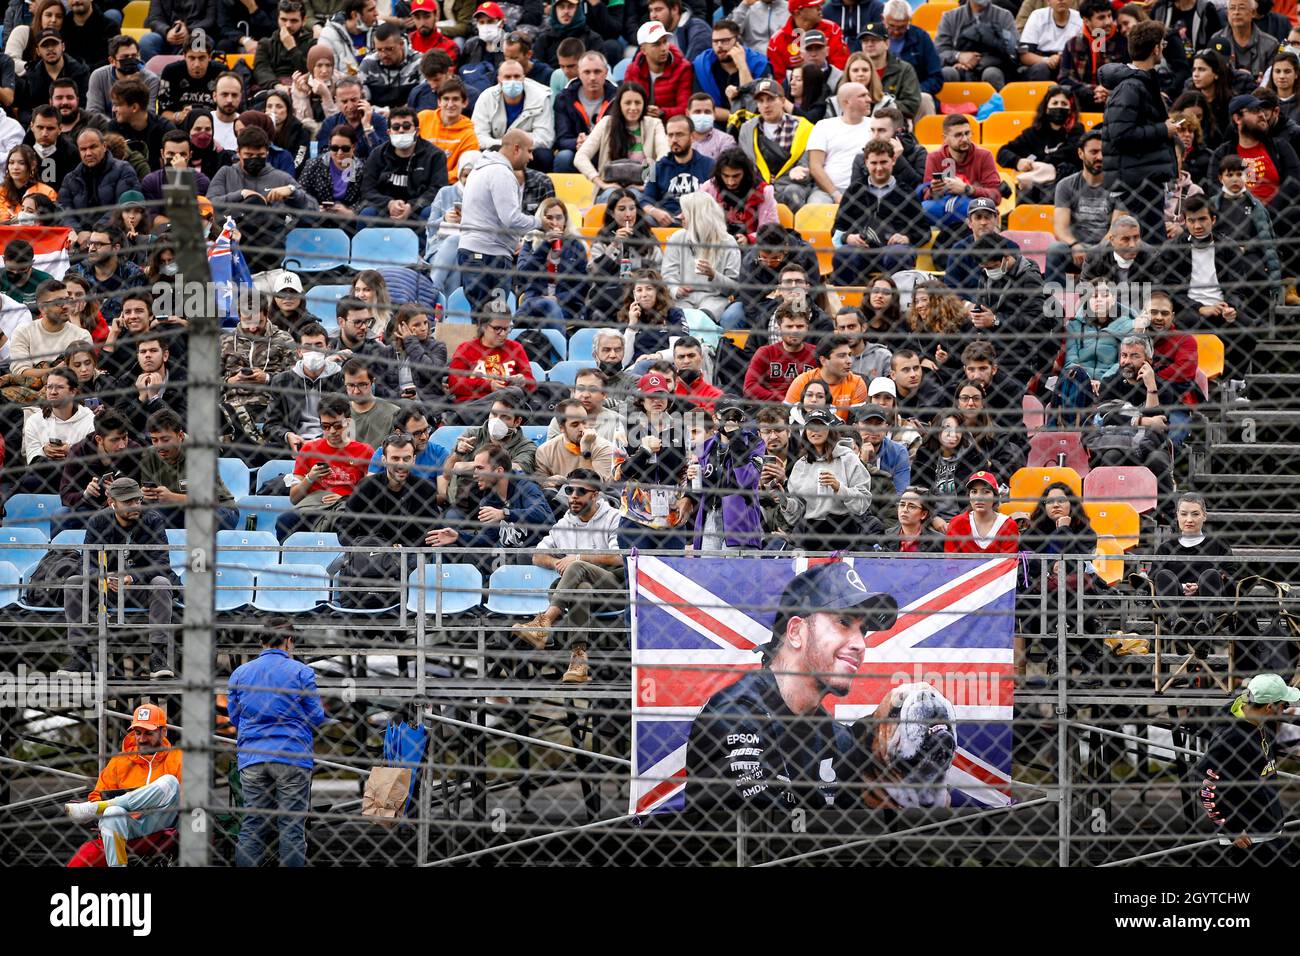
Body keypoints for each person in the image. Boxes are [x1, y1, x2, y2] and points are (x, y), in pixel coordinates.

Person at [685, 560, 898, 813]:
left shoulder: (832, 734)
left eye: (863, 631)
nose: (861, 644)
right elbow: (768, 829)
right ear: (796, 632)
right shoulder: (736, 712)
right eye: (844, 622)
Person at [510, 468, 625, 682]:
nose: (573, 496)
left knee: (576, 566)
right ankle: (578, 661)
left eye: (581, 491)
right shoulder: (565, 522)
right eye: (569, 489)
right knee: (581, 588)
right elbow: (537, 555)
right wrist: (556, 562)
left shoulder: (613, 518)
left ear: (595, 495)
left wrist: (578, 558)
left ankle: (544, 622)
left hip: (612, 588)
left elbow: (618, 557)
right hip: (579, 595)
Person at [228, 620, 327, 867]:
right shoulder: (301, 672)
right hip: (292, 755)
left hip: (252, 756)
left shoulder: (241, 673)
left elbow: (234, 716)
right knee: (291, 826)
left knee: (253, 825)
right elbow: (317, 716)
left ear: (261, 642)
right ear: (289, 640)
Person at [63, 477, 178, 677]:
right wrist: (102, 577)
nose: (135, 506)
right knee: (73, 583)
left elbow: (161, 564)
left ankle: (158, 657)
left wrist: (131, 577)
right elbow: (85, 562)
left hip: (139, 587)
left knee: (162, 583)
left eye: (137, 500)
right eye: (127, 502)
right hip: (104, 588)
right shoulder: (98, 521)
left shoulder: (153, 519)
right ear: (112, 503)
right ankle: (78, 655)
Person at [1193, 672, 1297, 864]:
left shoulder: (1250, 716)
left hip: (1269, 829)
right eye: (1285, 705)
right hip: (1250, 840)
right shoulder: (1232, 738)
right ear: (1268, 707)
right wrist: (1231, 829)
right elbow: (1204, 786)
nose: (1286, 710)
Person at [63, 704, 183, 868]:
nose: (141, 739)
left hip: (162, 823)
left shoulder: (177, 758)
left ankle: (102, 806)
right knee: (112, 812)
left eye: (149, 733)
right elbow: (96, 795)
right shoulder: (120, 761)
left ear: (163, 732)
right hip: (128, 827)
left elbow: (191, 798)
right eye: (138, 733)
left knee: (170, 782)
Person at [1100, 21, 1177, 247]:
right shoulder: (1131, 87)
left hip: (1143, 177)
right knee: (1151, 247)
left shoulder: (1140, 82)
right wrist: (1164, 129)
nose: (1162, 48)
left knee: (1150, 246)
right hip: (1137, 182)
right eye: (1161, 44)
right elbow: (1120, 133)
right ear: (1155, 48)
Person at [428, 440, 552, 564]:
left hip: (532, 551)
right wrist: (458, 537)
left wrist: (505, 514)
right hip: (505, 554)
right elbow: (487, 539)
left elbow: (541, 513)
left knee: (522, 556)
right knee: (470, 556)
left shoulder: (526, 487)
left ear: (499, 471)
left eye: (479, 468)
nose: (474, 474)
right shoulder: (488, 500)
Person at [455, 128, 538, 312]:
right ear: (517, 148)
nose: (531, 158)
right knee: (495, 317)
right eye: (529, 151)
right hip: (489, 256)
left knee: (482, 318)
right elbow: (511, 218)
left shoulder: (479, 170)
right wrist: (539, 223)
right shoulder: (501, 173)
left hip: (473, 252)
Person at [830, 138, 926, 281]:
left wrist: (906, 237)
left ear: (893, 160)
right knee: (844, 254)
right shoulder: (855, 190)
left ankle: (897, 298)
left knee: (898, 254)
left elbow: (923, 230)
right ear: (866, 163)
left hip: (893, 249)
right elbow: (838, 227)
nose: (879, 168)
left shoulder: (906, 191)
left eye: (883, 162)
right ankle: (850, 298)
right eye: (874, 163)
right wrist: (848, 237)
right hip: (861, 250)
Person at [785, 405, 873, 548]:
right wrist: (784, 501)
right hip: (811, 533)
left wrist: (839, 488)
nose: (815, 431)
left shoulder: (848, 459)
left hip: (843, 532)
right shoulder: (801, 465)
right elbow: (797, 511)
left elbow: (863, 503)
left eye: (821, 426)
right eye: (811, 426)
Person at [1149, 491, 1233, 636]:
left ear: (1204, 516)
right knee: (1163, 575)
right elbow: (1154, 578)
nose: (1189, 519)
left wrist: (1201, 587)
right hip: (1175, 605)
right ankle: (1176, 624)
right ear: (1177, 515)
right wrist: (1181, 587)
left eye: (1195, 514)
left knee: (1211, 574)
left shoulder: (1219, 545)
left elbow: (1232, 575)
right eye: (1184, 514)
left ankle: (1206, 625)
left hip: (1212, 605)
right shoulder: (1166, 548)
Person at [690, 399, 765, 552]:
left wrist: (736, 441)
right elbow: (701, 488)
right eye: (727, 416)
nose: (732, 422)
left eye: (736, 416)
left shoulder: (754, 443)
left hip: (740, 519)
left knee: (737, 573)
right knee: (709, 572)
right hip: (710, 516)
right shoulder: (706, 446)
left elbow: (746, 479)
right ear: (715, 418)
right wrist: (692, 478)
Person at [574, 81, 666, 201]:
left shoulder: (654, 124)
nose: (633, 108)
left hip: (642, 189)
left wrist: (647, 184)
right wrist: (600, 182)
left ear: (644, 104)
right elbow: (580, 157)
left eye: (637, 103)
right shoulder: (606, 123)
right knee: (615, 198)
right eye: (627, 103)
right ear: (620, 104)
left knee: (635, 198)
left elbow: (665, 155)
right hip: (609, 190)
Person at [1209, 92, 1300, 210]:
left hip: (1278, 216)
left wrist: (1264, 211)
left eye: (1262, 110)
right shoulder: (1222, 154)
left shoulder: (1280, 147)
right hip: (1238, 217)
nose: (1262, 115)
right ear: (1237, 118)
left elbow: (1294, 183)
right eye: (1255, 110)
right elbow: (1215, 190)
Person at [263, 323, 344, 453]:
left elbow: (350, 418)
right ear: (299, 351)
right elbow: (271, 425)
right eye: (307, 347)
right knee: (262, 452)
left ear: (328, 348)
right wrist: (288, 435)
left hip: (331, 441)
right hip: (295, 443)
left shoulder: (340, 379)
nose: (314, 351)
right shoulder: (282, 381)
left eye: (318, 345)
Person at [736, 77, 816, 208]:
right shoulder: (747, 129)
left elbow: (808, 165)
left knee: (793, 192)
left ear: (783, 101)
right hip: (759, 185)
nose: (766, 105)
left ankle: (794, 229)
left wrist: (801, 172)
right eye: (760, 101)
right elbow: (745, 163)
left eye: (771, 99)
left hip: (790, 184)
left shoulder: (804, 128)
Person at [661, 191, 741, 320]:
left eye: (685, 213)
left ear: (697, 217)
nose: (679, 216)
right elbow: (667, 275)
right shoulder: (677, 238)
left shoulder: (728, 242)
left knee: (701, 319)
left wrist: (714, 275)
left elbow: (733, 288)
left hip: (713, 300)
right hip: (682, 300)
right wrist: (676, 290)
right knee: (681, 317)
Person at [514, 196, 590, 334]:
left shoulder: (576, 245)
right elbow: (522, 276)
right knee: (541, 308)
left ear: (565, 220)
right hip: (535, 303)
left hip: (567, 306)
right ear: (542, 220)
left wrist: (558, 299)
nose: (554, 223)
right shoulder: (531, 241)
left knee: (548, 311)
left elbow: (583, 285)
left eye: (559, 217)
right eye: (549, 218)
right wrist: (544, 246)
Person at [998, 85, 1083, 205]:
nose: (1059, 106)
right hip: (1036, 189)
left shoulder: (1077, 130)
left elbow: (1072, 152)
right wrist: (1017, 161)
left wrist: (1043, 162)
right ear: (1047, 108)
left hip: (1065, 186)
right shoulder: (1033, 133)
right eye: (1055, 103)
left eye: (1064, 104)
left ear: (1070, 109)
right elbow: (1003, 152)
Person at [1047, 130, 1111, 286]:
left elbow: (1117, 227)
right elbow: (1060, 228)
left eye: (1104, 152)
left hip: (1107, 248)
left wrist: (1098, 250)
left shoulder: (1118, 185)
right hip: (1077, 248)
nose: (1100, 157)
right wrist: (1074, 244)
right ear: (1081, 153)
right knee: (1056, 249)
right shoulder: (1066, 185)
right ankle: (1055, 304)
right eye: (1094, 152)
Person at [587, 188, 664, 317]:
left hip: (642, 295)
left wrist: (637, 276)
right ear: (612, 212)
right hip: (609, 298)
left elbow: (660, 271)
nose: (628, 214)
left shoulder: (647, 237)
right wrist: (614, 245)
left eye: (632, 208)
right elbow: (593, 273)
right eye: (622, 209)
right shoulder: (602, 238)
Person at [471, 57, 555, 171]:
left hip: (528, 150)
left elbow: (545, 137)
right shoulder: (486, 97)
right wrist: (507, 146)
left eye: (516, 76)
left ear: (523, 77)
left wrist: (519, 147)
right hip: (496, 148)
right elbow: (478, 136)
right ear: (499, 79)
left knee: (544, 156)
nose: (512, 81)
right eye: (507, 77)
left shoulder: (541, 97)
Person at [919, 114, 1001, 230]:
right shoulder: (934, 157)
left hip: (976, 218)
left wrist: (967, 189)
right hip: (941, 216)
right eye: (958, 135)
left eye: (967, 133)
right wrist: (934, 191)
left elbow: (996, 196)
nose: (965, 139)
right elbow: (925, 196)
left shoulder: (984, 156)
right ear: (945, 138)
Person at [447, 306, 536, 410]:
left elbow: (532, 384)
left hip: (508, 406)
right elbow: (454, 384)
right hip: (475, 405)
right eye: (497, 329)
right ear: (483, 326)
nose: (503, 334)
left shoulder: (515, 348)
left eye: (506, 329)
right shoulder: (466, 349)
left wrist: (523, 381)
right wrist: (488, 385)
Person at [806, 81, 874, 204]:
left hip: (866, 191)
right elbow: (815, 166)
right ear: (846, 102)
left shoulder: (875, 126)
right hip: (826, 192)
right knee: (815, 207)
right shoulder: (824, 126)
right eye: (862, 96)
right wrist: (835, 194)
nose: (869, 99)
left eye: (868, 95)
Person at [640, 112, 713, 226]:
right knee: (645, 220)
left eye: (679, 134)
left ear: (692, 136)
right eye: (670, 135)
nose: (674, 140)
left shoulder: (709, 165)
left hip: (698, 220)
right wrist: (654, 212)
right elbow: (645, 200)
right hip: (666, 220)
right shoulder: (658, 167)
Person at [553, 51, 616, 175]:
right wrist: (577, 142)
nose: (592, 77)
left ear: (606, 73)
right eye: (587, 72)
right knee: (563, 157)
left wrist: (593, 142)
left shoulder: (618, 98)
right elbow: (561, 139)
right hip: (577, 150)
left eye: (597, 72)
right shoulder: (564, 98)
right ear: (579, 74)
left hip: (607, 150)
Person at [934, 0, 1017, 88]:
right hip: (958, 67)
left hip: (993, 66)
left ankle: (997, 101)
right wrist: (958, 56)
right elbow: (939, 52)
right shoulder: (950, 17)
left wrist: (975, 63)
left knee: (992, 74)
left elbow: (1012, 51)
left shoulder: (1004, 16)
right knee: (947, 73)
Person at [745, 304, 818, 403]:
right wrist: (784, 401)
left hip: (806, 407)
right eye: (789, 326)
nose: (795, 331)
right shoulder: (766, 352)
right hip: (772, 408)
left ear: (807, 328)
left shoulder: (816, 353)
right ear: (779, 328)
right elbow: (749, 387)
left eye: (800, 326)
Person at [624, 20, 695, 121]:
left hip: (672, 126)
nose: (664, 48)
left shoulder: (683, 68)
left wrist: (662, 113)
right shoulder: (632, 70)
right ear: (643, 50)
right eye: (656, 44)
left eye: (665, 41)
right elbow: (626, 104)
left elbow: (686, 108)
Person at [944, 470, 1018, 553]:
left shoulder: (1008, 525)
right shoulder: (956, 523)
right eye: (974, 492)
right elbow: (950, 562)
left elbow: (1008, 563)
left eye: (986, 492)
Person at [1209, 0, 1280, 80]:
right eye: (1232, 8)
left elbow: (1272, 79)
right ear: (1227, 13)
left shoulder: (1270, 44)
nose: (1236, 12)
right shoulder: (1217, 40)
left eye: (1241, 8)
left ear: (1252, 13)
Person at [890, 485, 944, 551]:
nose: (904, 510)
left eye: (911, 506)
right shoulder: (886, 536)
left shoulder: (938, 541)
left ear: (923, 514)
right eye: (902, 505)